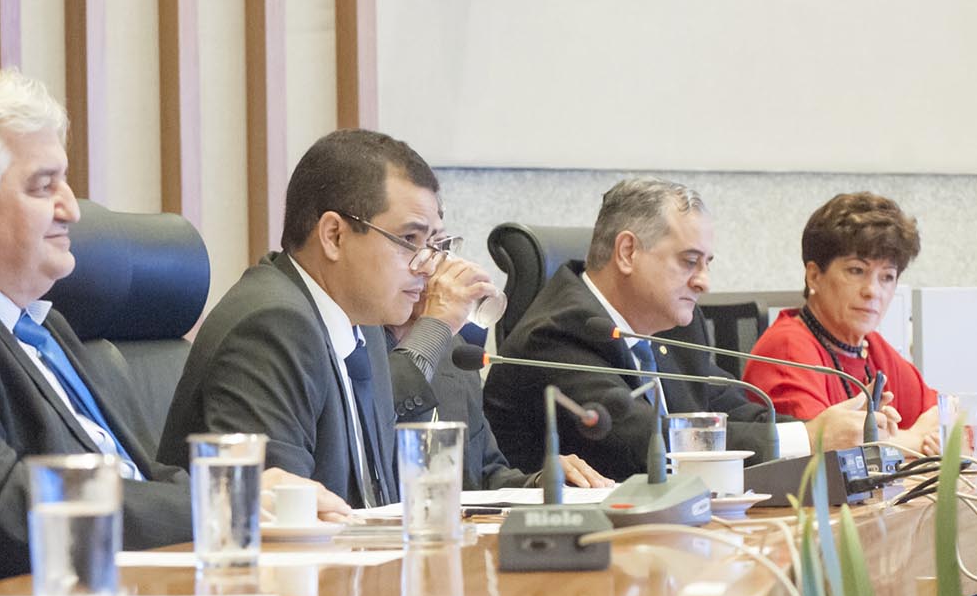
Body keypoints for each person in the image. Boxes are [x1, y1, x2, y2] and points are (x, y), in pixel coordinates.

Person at [0, 70, 312, 590]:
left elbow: (139, 476)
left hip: (127, 589)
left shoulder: (42, 326)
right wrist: (220, 505)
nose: (71, 208)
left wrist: (250, 496)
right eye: (44, 186)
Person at [160, 129, 496, 507]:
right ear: (334, 235)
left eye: (435, 245)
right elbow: (284, 513)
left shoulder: (362, 326)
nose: (428, 266)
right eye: (409, 241)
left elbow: (377, 498)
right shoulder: (273, 325)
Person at [483, 178, 880, 480]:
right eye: (690, 262)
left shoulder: (672, 323)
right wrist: (810, 439)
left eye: (707, 263)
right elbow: (645, 442)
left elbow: (735, 409)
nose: (703, 282)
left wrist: (838, 432)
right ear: (627, 252)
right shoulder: (556, 334)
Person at [743, 192, 938, 454]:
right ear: (814, 276)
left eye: (887, 277)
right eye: (856, 270)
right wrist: (915, 439)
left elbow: (946, 417)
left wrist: (897, 442)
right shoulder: (786, 349)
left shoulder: (870, 346)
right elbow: (831, 450)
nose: (872, 291)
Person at [383, 301, 610, 491]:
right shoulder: (366, 345)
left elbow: (486, 476)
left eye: (439, 254)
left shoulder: (454, 351)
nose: (428, 268)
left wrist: (541, 482)